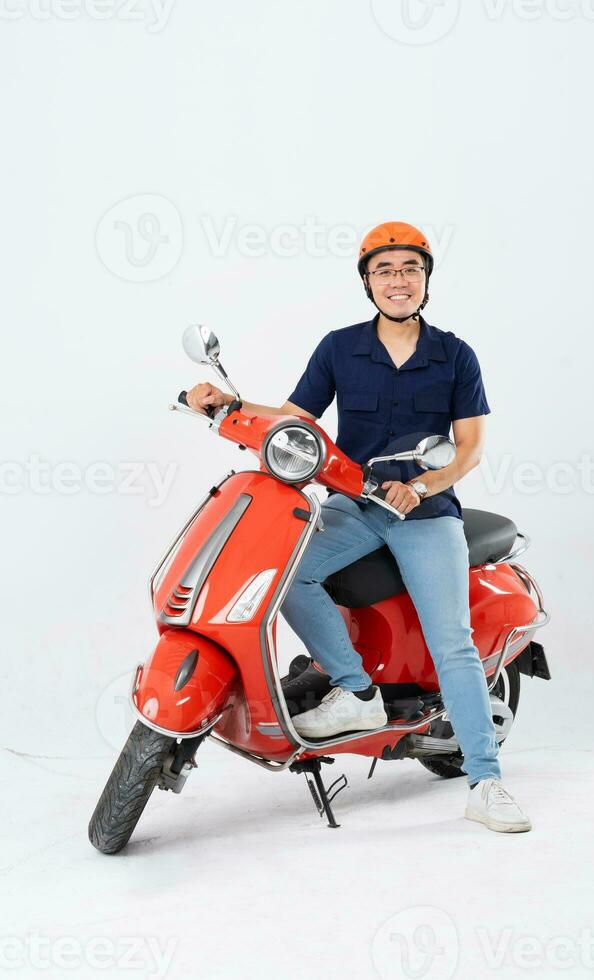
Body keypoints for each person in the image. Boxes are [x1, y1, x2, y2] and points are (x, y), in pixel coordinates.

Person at [187, 221, 532, 833]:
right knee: (284, 577)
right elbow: (296, 416)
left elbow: (469, 451)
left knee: (451, 642)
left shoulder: (454, 354)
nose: (398, 281)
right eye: (385, 271)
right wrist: (225, 403)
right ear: (367, 281)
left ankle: (486, 781)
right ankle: (357, 692)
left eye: (409, 270)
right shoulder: (341, 347)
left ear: (426, 280)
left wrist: (420, 485)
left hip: (426, 514)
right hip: (355, 505)